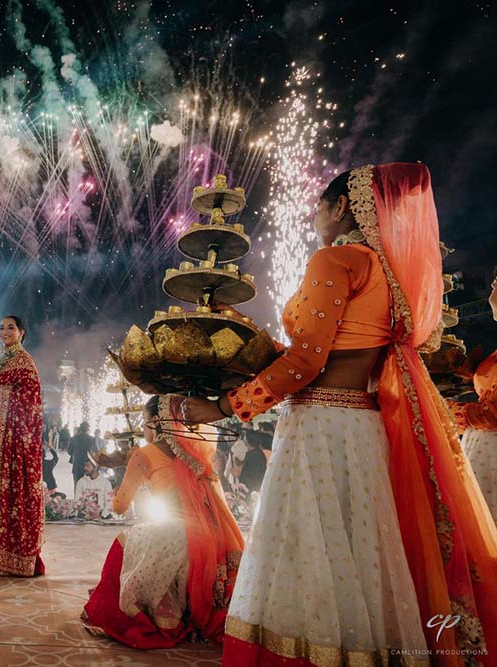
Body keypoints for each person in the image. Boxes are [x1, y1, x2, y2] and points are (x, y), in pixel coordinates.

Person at [183, 164, 497, 665]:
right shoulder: (390, 277)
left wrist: (224, 406)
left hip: (319, 426)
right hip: (363, 427)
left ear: (341, 206)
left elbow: (306, 363)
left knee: (311, 553)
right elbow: (334, 350)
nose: (314, 218)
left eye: (318, 208)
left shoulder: (336, 259)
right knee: (363, 555)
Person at [82, 395, 244, 649]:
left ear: (157, 422)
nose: (142, 428)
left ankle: (155, 613)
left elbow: (120, 506)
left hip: (174, 533)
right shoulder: (194, 453)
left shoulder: (143, 454)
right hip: (209, 536)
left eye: (144, 421)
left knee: (124, 542)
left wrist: (127, 473)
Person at [0, 315, 45, 577]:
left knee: (17, 491)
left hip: (16, 439)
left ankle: (19, 559)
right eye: (1, 328)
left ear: (21, 332)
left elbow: (32, 403)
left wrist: (2, 395)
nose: (5, 331)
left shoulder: (25, 362)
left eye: (11, 327)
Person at [448, 272, 497, 520]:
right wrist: (473, 374)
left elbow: (492, 415)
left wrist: (445, 410)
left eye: (496, 286)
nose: (491, 295)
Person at [69, 422, 96, 487]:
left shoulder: (73, 438)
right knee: (89, 485)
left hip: (77, 464)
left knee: (77, 485)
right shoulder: (92, 439)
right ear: (88, 429)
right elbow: (95, 452)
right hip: (89, 465)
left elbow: (69, 451)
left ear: (80, 429)